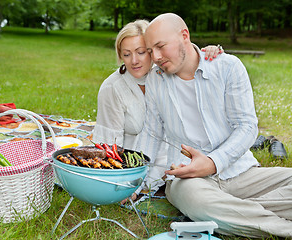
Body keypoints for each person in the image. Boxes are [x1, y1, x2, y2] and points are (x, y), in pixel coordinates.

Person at [134, 13, 292, 238]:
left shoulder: (227, 67)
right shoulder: (155, 80)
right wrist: (137, 184)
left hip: (239, 172)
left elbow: (246, 126)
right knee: (197, 202)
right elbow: (151, 133)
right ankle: (284, 228)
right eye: (151, 51)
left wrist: (212, 163)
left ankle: (233, 211)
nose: (156, 57)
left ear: (184, 36)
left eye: (160, 46)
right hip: (187, 179)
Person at [92, 19, 222, 197]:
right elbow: (108, 144)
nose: (134, 61)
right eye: (127, 54)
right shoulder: (112, 88)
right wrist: (123, 180)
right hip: (135, 163)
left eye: (141, 52)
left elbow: (189, 58)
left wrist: (211, 53)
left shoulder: (167, 73)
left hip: (178, 158)